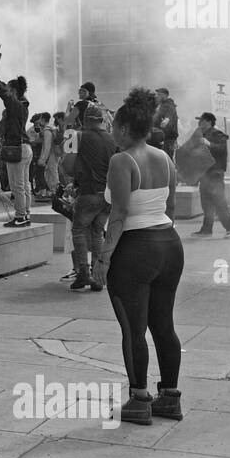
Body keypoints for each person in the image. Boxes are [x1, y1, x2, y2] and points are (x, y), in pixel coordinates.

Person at [91, 88, 183, 425]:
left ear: (126, 130)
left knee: (133, 330)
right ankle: (170, 397)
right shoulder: (165, 158)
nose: (112, 130)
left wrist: (102, 261)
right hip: (169, 244)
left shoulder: (122, 160)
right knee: (163, 326)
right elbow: (170, 207)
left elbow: (118, 215)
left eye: (115, 126)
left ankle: (139, 398)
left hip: (135, 249)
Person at [70, 103, 117, 292]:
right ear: (102, 120)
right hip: (107, 194)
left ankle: (83, 272)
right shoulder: (113, 139)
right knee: (97, 231)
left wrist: (74, 178)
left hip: (88, 191)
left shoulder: (77, 136)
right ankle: (98, 276)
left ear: (86, 120)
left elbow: (67, 165)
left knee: (79, 230)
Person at [0, 69, 32, 227]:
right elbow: (7, 90)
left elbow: (4, 94)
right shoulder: (22, 104)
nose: (6, 92)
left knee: (16, 186)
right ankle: (25, 214)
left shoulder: (15, 105)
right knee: (25, 185)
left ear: (13, 92)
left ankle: (19, 216)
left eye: (9, 90)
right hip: (25, 147)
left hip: (16, 147)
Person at [187, 112, 230, 238]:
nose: (199, 123)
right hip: (205, 173)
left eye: (202, 121)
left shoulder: (217, 134)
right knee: (206, 203)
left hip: (215, 172)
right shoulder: (201, 135)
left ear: (209, 122)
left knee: (219, 201)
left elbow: (222, 149)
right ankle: (206, 229)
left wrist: (209, 143)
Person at [153, 88, 179, 159]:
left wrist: (166, 120)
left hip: (169, 137)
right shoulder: (161, 105)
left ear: (165, 95)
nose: (157, 96)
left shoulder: (169, 103)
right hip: (163, 137)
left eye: (159, 95)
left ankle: (171, 169)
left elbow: (170, 112)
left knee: (167, 158)